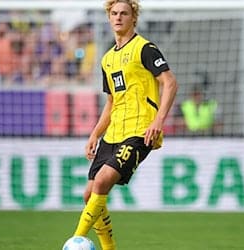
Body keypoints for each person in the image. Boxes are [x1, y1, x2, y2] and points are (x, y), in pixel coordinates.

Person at [70, 1, 178, 249]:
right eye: (114, 13)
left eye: (124, 13)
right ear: (109, 18)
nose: (118, 17)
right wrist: (95, 134)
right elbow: (111, 102)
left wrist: (158, 121)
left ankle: (74, 240)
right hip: (113, 133)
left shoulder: (145, 49)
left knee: (101, 182)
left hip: (141, 131)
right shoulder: (107, 59)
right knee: (89, 196)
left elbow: (170, 83)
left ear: (133, 18)